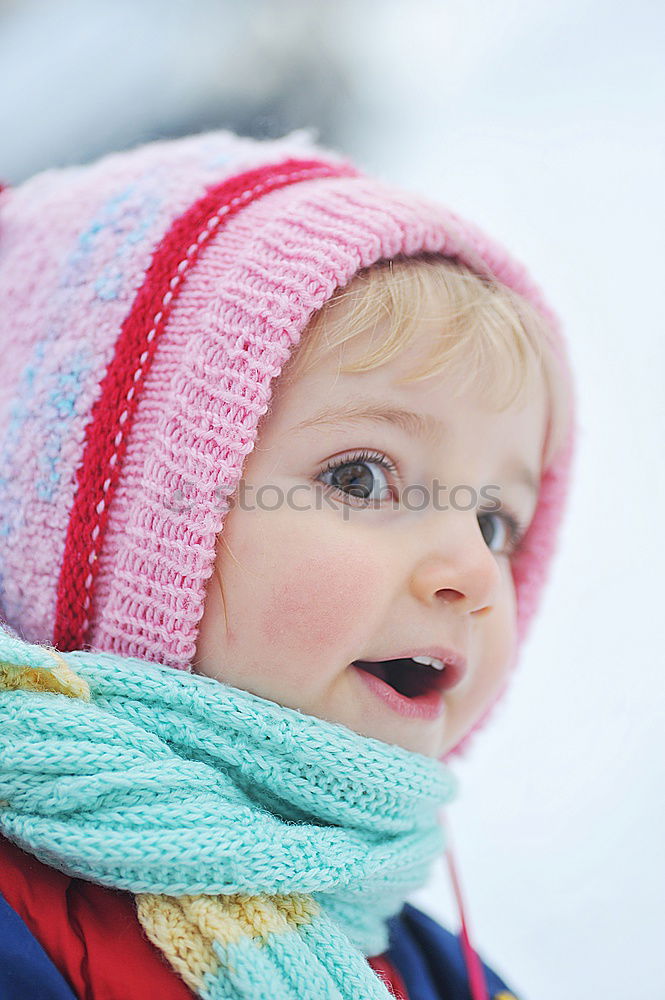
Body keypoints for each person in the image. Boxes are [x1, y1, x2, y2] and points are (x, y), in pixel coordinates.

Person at [0, 130, 576, 1000]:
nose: (472, 568)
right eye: (362, 477)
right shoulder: (22, 922)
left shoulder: (435, 973)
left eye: (496, 522)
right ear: (116, 527)